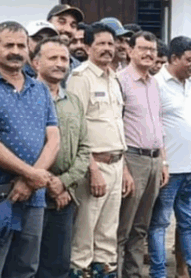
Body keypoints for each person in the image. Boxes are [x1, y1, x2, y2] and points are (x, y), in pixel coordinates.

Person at [0, 21, 61, 278]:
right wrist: (30, 174)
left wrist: (31, 180)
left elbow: (54, 140)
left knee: (25, 269)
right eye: (9, 45)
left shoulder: (39, 88)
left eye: (21, 45)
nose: (16, 51)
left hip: (33, 197)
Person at [67, 22, 132, 278]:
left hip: (116, 164)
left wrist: (124, 168)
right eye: (101, 44)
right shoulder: (80, 78)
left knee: (107, 237)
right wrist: (92, 170)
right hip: (94, 166)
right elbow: (77, 127)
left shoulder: (114, 78)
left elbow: (116, 126)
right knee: (84, 236)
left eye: (110, 43)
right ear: (87, 46)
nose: (107, 49)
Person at [32, 36, 90, 278]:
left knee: (57, 266)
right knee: (27, 264)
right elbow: (21, 148)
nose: (60, 64)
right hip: (31, 194)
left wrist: (63, 182)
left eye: (64, 59)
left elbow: (85, 149)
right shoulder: (26, 97)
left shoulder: (73, 102)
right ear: (35, 63)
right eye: (53, 58)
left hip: (65, 197)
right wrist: (48, 184)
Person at [149, 36, 191, 278]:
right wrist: (163, 162)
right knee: (160, 224)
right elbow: (154, 126)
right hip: (169, 169)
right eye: (189, 59)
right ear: (173, 58)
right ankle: (158, 273)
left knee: (190, 224)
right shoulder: (155, 84)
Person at [116, 31, 169, 278]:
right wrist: (124, 168)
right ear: (130, 51)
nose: (149, 54)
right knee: (122, 228)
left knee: (141, 228)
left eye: (153, 50)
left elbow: (158, 124)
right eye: (143, 48)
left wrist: (164, 161)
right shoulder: (120, 81)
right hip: (132, 160)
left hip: (154, 161)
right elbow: (116, 127)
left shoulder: (154, 84)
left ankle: (134, 275)